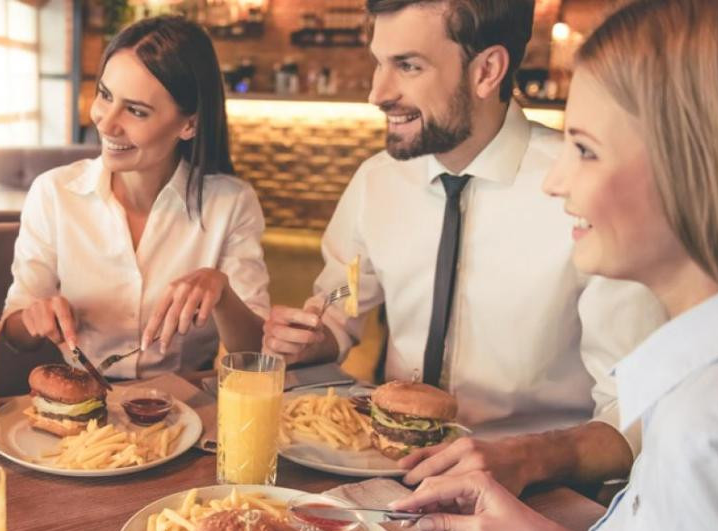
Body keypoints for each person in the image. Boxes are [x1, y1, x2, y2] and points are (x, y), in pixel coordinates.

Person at [346, 1, 718, 531]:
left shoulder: (711, 428)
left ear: (690, 166)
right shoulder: (694, 389)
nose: (556, 179)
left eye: (584, 150)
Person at [261, 0, 665, 494]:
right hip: (380, 469)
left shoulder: (584, 189)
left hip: (532, 492)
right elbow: (340, 308)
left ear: (487, 70)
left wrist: (534, 456)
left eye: (408, 66)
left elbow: (639, 407)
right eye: (378, 62)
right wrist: (316, 336)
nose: (377, 93)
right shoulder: (376, 181)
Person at [0, 16, 270, 378]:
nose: (106, 123)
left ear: (189, 124)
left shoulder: (232, 204)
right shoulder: (53, 193)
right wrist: (33, 317)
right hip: (85, 406)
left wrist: (223, 293)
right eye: (106, 95)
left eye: (136, 110)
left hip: (189, 403)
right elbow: (13, 334)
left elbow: (254, 353)